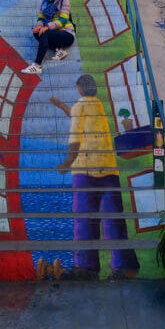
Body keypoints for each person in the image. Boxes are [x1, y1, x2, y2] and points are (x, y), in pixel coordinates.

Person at [50, 74, 140, 281]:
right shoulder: (100, 106)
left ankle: (87, 267)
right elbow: (74, 117)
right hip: (109, 169)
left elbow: (75, 140)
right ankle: (126, 266)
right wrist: (62, 106)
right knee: (114, 221)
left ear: (79, 90)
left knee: (85, 221)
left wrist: (67, 163)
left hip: (86, 170)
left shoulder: (79, 107)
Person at [21, 0, 75, 77]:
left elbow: (63, 21)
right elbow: (41, 17)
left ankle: (37, 65)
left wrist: (47, 27)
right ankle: (60, 49)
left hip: (67, 34)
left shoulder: (64, 0)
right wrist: (39, 26)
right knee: (37, 33)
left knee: (44, 33)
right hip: (54, 32)